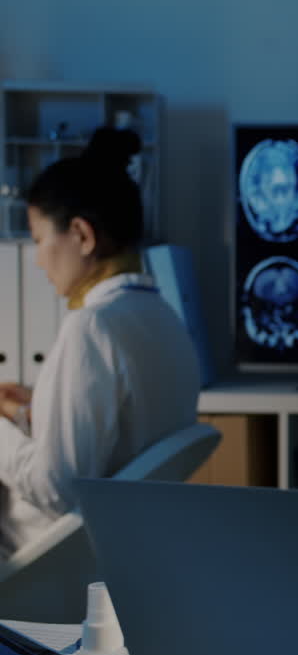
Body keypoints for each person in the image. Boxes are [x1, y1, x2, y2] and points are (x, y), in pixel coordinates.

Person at [0, 128, 201, 559]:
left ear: (82, 235)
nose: (36, 260)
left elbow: (57, 490)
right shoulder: (163, 318)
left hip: (50, 561)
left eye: (38, 240)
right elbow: (121, 438)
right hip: (129, 549)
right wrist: (32, 412)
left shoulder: (90, 328)